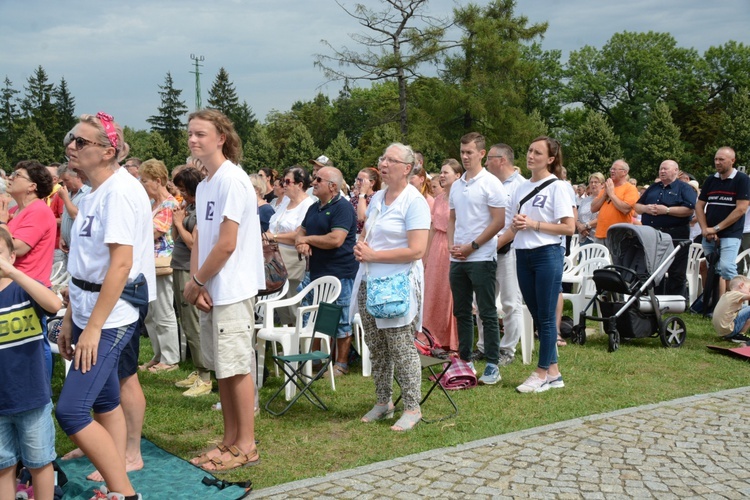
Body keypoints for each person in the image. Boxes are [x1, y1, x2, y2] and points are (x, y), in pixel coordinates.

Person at [55, 112, 154, 500]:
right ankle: (115, 484)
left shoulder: (120, 192)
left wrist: (93, 327)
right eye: (71, 139)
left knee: (72, 410)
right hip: (86, 308)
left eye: (81, 142)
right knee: (104, 399)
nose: (71, 146)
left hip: (110, 316)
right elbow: (84, 264)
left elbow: (121, 264)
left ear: (108, 151)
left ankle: (125, 492)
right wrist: (70, 319)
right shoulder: (92, 193)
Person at [183, 109, 264, 471]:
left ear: (221, 139)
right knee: (223, 370)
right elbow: (203, 236)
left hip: (232, 286)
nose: (193, 139)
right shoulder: (204, 185)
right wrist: (196, 281)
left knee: (236, 367)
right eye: (190, 134)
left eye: (201, 133)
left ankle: (246, 444)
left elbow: (228, 243)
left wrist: (198, 280)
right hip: (212, 286)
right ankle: (229, 441)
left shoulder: (233, 180)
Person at [354, 143, 430, 432]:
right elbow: (367, 231)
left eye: (390, 160)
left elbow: (417, 250)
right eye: (382, 158)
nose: (383, 164)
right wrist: (361, 247)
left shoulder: (414, 201)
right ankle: (383, 401)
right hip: (370, 278)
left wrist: (375, 255)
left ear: (407, 168)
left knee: (400, 345)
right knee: (376, 346)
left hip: (398, 283)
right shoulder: (378, 198)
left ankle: (412, 406)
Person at [498, 136, 574, 393]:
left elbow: (569, 226)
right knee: (536, 313)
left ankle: (541, 372)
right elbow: (511, 226)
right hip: (523, 254)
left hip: (548, 254)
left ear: (551, 159)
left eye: (538, 153)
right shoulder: (520, 187)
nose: (531, 156)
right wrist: (487, 247)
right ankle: (554, 373)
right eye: (529, 150)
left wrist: (534, 225)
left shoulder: (558, 187)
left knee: (546, 315)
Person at [0, 230, 62, 500]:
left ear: (12, 256)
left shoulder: (24, 288)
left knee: (40, 461)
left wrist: (13, 273)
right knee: (3, 466)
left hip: (32, 396)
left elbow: (53, 303)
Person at [448, 132, 507, 385]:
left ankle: (493, 364)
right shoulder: (457, 184)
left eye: (469, 152)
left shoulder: (491, 183)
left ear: (482, 154)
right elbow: (452, 218)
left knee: (486, 311)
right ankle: (465, 360)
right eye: (462, 152)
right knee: (461, 311)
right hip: (458, 258)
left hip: (481, 256)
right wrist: (452, 245)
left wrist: (472, 246)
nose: (465, 156)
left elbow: (499, 221)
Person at [295, 166, 358, 376]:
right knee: (313, 315)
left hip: (340, 272)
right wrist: (302, 243)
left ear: (332, 186)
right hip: (316, 272)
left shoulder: (343, 208)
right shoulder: (314, 208)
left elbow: (336, 239)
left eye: (318, 179)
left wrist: (307, 240)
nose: (313, 182)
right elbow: (300, 233)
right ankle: (315, 359)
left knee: (340, 317)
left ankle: (341, 363)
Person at [483, 143, 526, 366]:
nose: (486, 162)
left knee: (510, 302)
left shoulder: (521, 185)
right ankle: (484, 345)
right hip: (485, 248)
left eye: (489, 158)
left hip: (509, 248)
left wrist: (498, 242)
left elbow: (518, 223)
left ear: (502, 160)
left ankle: (508, 348)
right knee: (483, 301)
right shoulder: (487, 182)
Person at [171, 167, 212, 397]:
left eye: (183, 189)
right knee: (186, 321)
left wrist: (179, 223)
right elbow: (176, 238)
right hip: (179, 265)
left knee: (194, 322)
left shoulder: (201, 210)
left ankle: (205, 375)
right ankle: (198, 369)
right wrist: (178, 219)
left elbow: (193, 244)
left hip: (189, 269)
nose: (180, 193)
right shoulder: (191, 207)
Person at [138, 159, 181, 373]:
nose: (141, 184)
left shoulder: (169, 205)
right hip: (150, 265)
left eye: (144, 181)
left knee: (163, 311)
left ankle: (170, 358)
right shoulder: (153, 205)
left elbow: (154, 232)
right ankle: (158, 354)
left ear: (157, 180)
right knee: (150, 313)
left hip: (163, 265)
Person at [635, 160, 696, 297]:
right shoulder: (653, 188)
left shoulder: (684, 188)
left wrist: (667, 210)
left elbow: (689, 210)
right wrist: (646, 208)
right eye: (661, 169)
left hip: (675, 233)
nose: (662, 171)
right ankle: (655, 297)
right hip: (653, 234)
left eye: (666, 169)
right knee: (653, 268)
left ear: (676, 170)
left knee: (676, 270)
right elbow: (637, 207)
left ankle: (676, 300)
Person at [695, 147, 750, 297]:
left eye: (721, 159)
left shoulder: (742, 179)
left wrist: (716, 228)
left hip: (731, 233)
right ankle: (714, 303)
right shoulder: (711, 180)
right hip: (709, 233)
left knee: (727, 268)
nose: (717, 162)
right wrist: (705, 228)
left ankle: (737, 304)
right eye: (716, 159)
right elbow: (699, 206)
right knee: (713, 268)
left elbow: (741, 209)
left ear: (733, 161)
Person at [422, 159, 463, 352]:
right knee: (433, 292)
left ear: (458, 176)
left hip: (452, 245)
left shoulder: (462, 197)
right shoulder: (438, 199)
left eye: (447, 172)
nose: (443, 175)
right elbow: (431, 227)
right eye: (441, 172)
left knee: (449, 294)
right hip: (436, 245)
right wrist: (426, 254)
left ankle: (450, 340)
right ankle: (430, 336)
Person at [266, 166, 315, 325]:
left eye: (287, 181)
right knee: (281, 308)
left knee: (295, 306)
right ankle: (287, 345)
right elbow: (272, 225)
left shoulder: (308, 205)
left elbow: (298, 235)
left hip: (294, 261)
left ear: (300, 185)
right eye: (282, 181)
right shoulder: (285, 202)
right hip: (276, 261)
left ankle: (300, 345)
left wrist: (273, 237)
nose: (283, 185)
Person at [0, 161, 57, 287]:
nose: (10, 177)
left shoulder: (39, 211)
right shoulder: (14, 211)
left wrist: (2, 222)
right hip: (11, 284)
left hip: (27, 289)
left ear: (32, 186)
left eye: (17, 175)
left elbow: (17, 248)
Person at [590, 159, 639, 245]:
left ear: (624, 172)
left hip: (618, 236)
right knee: (598, 259)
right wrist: (605, 194)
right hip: (600, 234)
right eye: (611, 169)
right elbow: (593, 208)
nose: (612, 171)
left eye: (615, 169)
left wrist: (612, 195)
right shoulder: (608, 187)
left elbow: (625, 209)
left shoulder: (630, 188)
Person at [57, 164, 91, 265]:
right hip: (68, 246)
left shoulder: (88, 194)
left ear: (77, 177)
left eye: (67, 180)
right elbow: (65, 217)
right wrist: (62, 237)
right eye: (63, 181)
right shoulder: (68, 194)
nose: (64, 184)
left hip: (80, 248)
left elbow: (76, 216)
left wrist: (65, 199)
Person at [712, 275, 750, 343]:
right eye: (749, 289)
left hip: (722, 331)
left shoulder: (727, 295)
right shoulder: (736, 294)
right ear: (741, 285)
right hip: (729, 330)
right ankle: (739, 335)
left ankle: (734, 335)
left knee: (745, 307)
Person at [351, 167, 381, 235]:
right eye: (357, 179)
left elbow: (362, 218)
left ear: (372, 183)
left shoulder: (376, 198)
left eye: (361, 180)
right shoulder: (354, 199)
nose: (357, 183)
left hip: (365, 238)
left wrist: (362, 194)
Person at [576, 173, 604, 245]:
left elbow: (602, 218)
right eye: (591, 182)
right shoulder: (585, 200)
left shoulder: (605, 199)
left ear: (602, 184)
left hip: (597, 239)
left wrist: (586, 226)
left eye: (596, 182)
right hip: (583, 237)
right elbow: (577, 218)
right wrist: (580, 228)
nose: (593, 184)